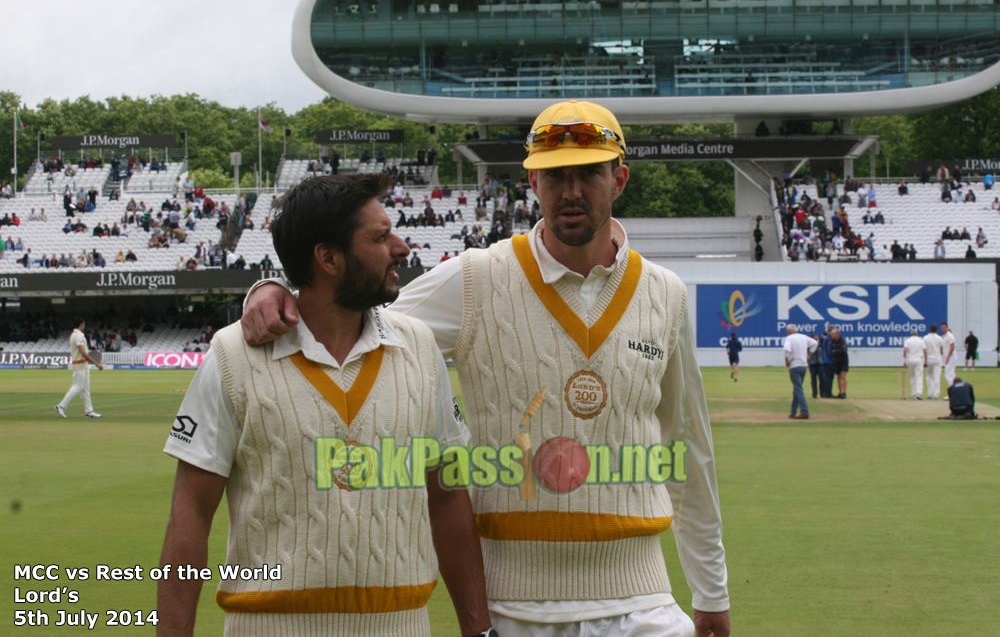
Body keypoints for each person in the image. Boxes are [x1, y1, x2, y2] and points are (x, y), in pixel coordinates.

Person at [240, 101, 732, 637]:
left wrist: (711, 593)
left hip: (645, 605)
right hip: (512, 610)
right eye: (553, 175)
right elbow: (348, 317)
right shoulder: (477, 278)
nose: (571, 190)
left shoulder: (667, 294)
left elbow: (690, 450)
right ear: (533, 183)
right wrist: (272, 291)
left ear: (619, 179)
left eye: (588, 172)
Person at [157, 174, 492, 637]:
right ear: (328, 258)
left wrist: (480, 630)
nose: (400, 247)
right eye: (379, 237)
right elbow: (190, 514)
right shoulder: (233, 355)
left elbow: (448, 499)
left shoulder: (419, 347)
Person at [54, 318, 103, 419]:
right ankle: (61, 406)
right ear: (81, 324)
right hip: (80, 365)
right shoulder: (77, 336)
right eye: (83, 324)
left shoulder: (76, 335)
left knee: (85, 389)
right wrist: (96, 363)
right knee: (77, 387)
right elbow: (83, 353)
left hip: (82, 365)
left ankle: (89, 411)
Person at [784, 324, 818, 419]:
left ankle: (804, 411)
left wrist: (786, 360)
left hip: (794, 366)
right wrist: (809, 356)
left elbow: (786, 349)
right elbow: (815, 343)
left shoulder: (789, 338)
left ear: (789, 331)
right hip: (804, 366)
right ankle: (793, 412)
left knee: (798, 389)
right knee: (797, 389)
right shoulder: (804, 337)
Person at [903, 331, 927, 400]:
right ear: (917, 335)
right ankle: (919, 393)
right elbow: (925, 351)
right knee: (919, 376)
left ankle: (913, 394)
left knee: (912, 376)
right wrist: (925, 361)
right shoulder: (921, 341)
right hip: (918, 359)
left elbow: (905, 350)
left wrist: (904, 361)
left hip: (910, 359)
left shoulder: (908, 341)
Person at [923, 324, 944, 399]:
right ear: (936, 330)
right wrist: (939, 355)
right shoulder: (940, 338)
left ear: (930, 330)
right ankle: (936, 394)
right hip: (937, 358)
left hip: (929, 358)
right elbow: (941, 350)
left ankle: (929, 393)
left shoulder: (925, 338)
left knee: (929, 375)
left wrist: (925, 360)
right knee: (937, 376)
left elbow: (924, 349)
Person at [828, 326, 849, 398]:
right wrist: (835, 352)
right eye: (831, 333)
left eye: (833, 333)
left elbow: (843, 350)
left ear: (837, 334)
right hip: (836, 360)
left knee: (843, 376)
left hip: (843, 360)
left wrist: (835, 351)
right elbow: (830, 352)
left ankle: (844, 392)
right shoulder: (832, 341)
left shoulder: (842, 341)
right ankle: (840, 392)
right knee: (838, 376)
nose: (832, 335)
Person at [941, 322, 957, 394]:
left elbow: (952, 346)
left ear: (947, 328)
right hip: (949, 356)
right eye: (942, 328)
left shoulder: (949, 335)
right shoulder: (944, 336)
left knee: (947, 375)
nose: (943, 329)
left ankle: (954, 392)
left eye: (944, 328)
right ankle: (955, 392)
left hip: (951, 356)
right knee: (952, 375)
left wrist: (948, 356)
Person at [807, 333, 824, 398]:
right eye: (814, 337)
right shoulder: (809, 345)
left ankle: (822, 393)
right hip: (812, 363)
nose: (816, 338)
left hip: (820, 363)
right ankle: (814, 393)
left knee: (822, 378)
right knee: (813, 379)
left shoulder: (820, 345)